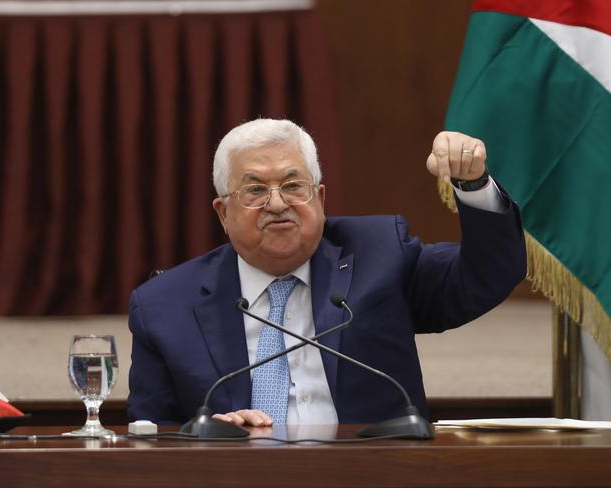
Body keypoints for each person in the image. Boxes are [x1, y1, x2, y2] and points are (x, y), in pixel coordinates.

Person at [127, 118, 526, 427]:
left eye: (293, 185)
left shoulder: (380, 254)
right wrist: (210, 437)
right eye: (254, 191)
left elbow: (485, 276)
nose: (277, 203)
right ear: (223, 213)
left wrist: (472, 183)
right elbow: (148, 435)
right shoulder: (163, 306)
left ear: (319, 198)